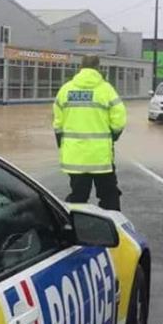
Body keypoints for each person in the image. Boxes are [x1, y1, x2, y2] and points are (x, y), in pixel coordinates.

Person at [52, 55, 126, 210]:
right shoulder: (106, 90)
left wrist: (62, 142)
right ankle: (112, 228)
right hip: (101, 158)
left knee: (78, 197)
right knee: (109, 196)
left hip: (75, 157)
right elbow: (119, 119)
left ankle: (74, 228)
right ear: (98, 68)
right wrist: (113, 136)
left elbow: (57, 123)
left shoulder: (66, 90)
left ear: (80, 67)